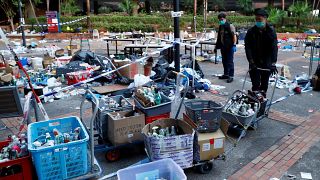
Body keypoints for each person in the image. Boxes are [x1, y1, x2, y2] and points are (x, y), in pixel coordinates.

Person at [244, 8, 278, 96]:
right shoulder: (251, 32)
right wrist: (251, 62)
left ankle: (262, 101)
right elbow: (248, 48)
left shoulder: (271, 32)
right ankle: (254, 104)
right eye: (256, 19)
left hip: (266, 62)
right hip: (254, 61)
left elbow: (274, 48)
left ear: (265, 19)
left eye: (260, 19)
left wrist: (273, 63)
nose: (258, 21)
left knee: (264, 85)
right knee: (255, 85)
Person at [214, 12, 237, 83]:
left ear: (225, 18)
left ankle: (231, 76)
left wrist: (234, 45)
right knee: (224, 61)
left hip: (230, 47)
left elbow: (234, 36)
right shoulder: (221, 26)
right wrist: (216, 47)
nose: (221, 20)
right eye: (219, 19)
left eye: (222, 19)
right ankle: (226, 74)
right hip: (223, 47)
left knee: (230, 62)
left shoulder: (230, 26)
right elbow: (219, 37)